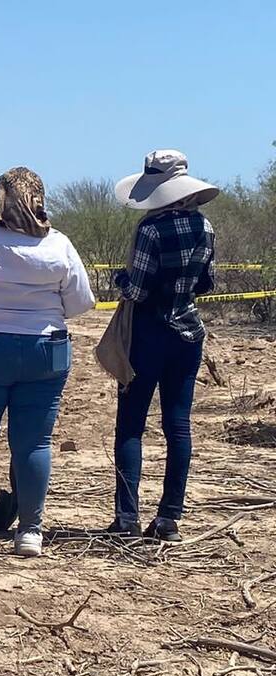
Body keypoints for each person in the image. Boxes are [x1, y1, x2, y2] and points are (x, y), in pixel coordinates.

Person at [0, 168, 96, 558]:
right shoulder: (59, 244)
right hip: (46, 351)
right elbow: (81, 302)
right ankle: (30, 532)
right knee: (34, 442)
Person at [108, 150, 219, 543]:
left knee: (131, 425)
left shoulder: (150, 230)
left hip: (147, 335)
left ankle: (127, 519)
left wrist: (121, 280)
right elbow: (207, 284)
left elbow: (137, 291)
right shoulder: (205, 226)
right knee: (178, 425)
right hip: (188, 334)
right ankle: (169, 519)